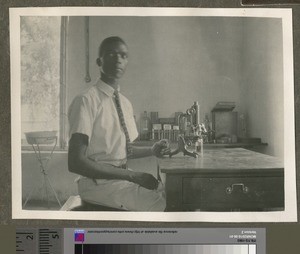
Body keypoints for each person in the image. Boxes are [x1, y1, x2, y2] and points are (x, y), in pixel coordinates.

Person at [68, 36, 170, 211]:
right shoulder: (86, 100)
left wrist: (151, 150)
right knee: (164, 204)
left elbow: (123, 150)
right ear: (99, 61)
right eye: (111, 54)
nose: (118, 59)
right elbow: (76, 162)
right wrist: (133, 175)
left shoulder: (125, 103)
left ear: (127, 62)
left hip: (119, 181)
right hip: (97, 186)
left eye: (123, 55)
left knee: (171, 193)